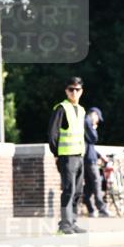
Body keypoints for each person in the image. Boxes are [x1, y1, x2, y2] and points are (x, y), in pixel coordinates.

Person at [47, 77, 88, 235]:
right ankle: (64, 225)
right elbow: (53, 133)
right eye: (71, 89)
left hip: (79, 156)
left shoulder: (82, 110)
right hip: (66, 156)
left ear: (81, 91)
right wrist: (56, 154)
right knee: (68, 190)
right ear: (66, 91)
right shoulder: (61, 108)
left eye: (77, 89)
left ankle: (72, 222)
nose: (74, 92)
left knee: (77, 191)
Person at [83, 107, 110, 218]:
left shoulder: (84, 122)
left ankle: (90, 209)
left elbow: (89, 144)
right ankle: (101, 209)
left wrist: (99, 155)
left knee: (89, 186)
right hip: (89, 160)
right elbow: (94, 138)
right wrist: (93, 128)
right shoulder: (87, 122)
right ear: (94, 114)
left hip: (86, 158)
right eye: (98, 118)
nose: (97, 121)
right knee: (97, 182)